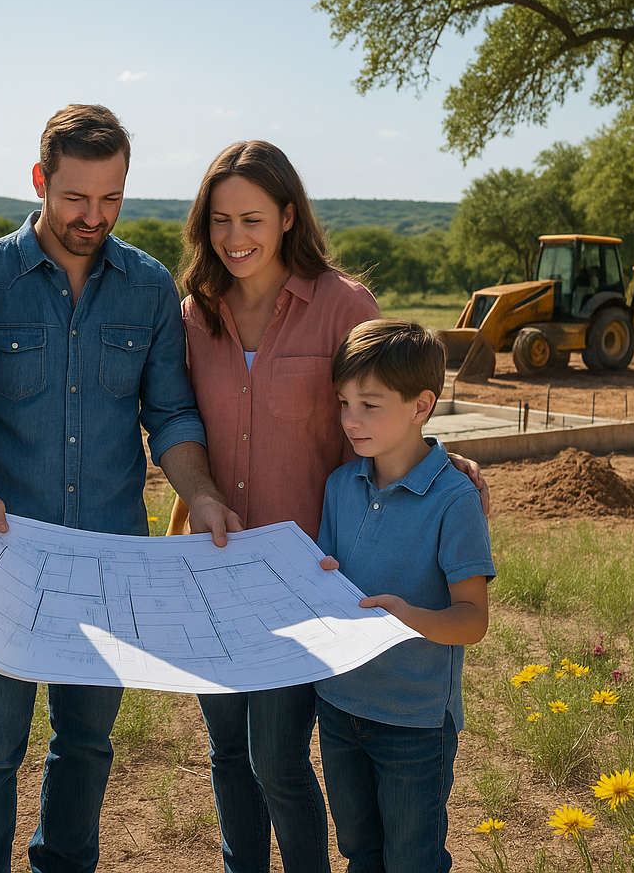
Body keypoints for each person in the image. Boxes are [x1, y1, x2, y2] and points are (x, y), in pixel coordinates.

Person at [0, 104, 242, 873]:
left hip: (111, 562)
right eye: (76, 197)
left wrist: (199, 493)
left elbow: (169, 414)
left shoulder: (146, 287)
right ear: (40, 181)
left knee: (87, 743)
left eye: (111, 199)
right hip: (3, 560)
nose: (93, 216)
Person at [169, 140, 380, 873]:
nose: (235, 238)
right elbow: (176, 423)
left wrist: (442, 460)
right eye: (220, 220)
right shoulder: (194, 313)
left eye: (253, 218)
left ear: (289, 216)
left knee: (278, 759)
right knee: (227, 752)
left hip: (304, 572)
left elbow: (380, 426)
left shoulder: (344, 307)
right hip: (213, 569)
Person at [315, 319, 494, 873]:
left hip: (414, 720)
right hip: (339, 707)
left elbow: (472, 621)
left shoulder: (454, 499)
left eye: (370, 405)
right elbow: (327, 578)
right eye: (344, 403)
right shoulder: (340, 486)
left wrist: (410, 618)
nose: (350, 420)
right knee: (359, 852)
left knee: (412, 859)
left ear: (421, 407)